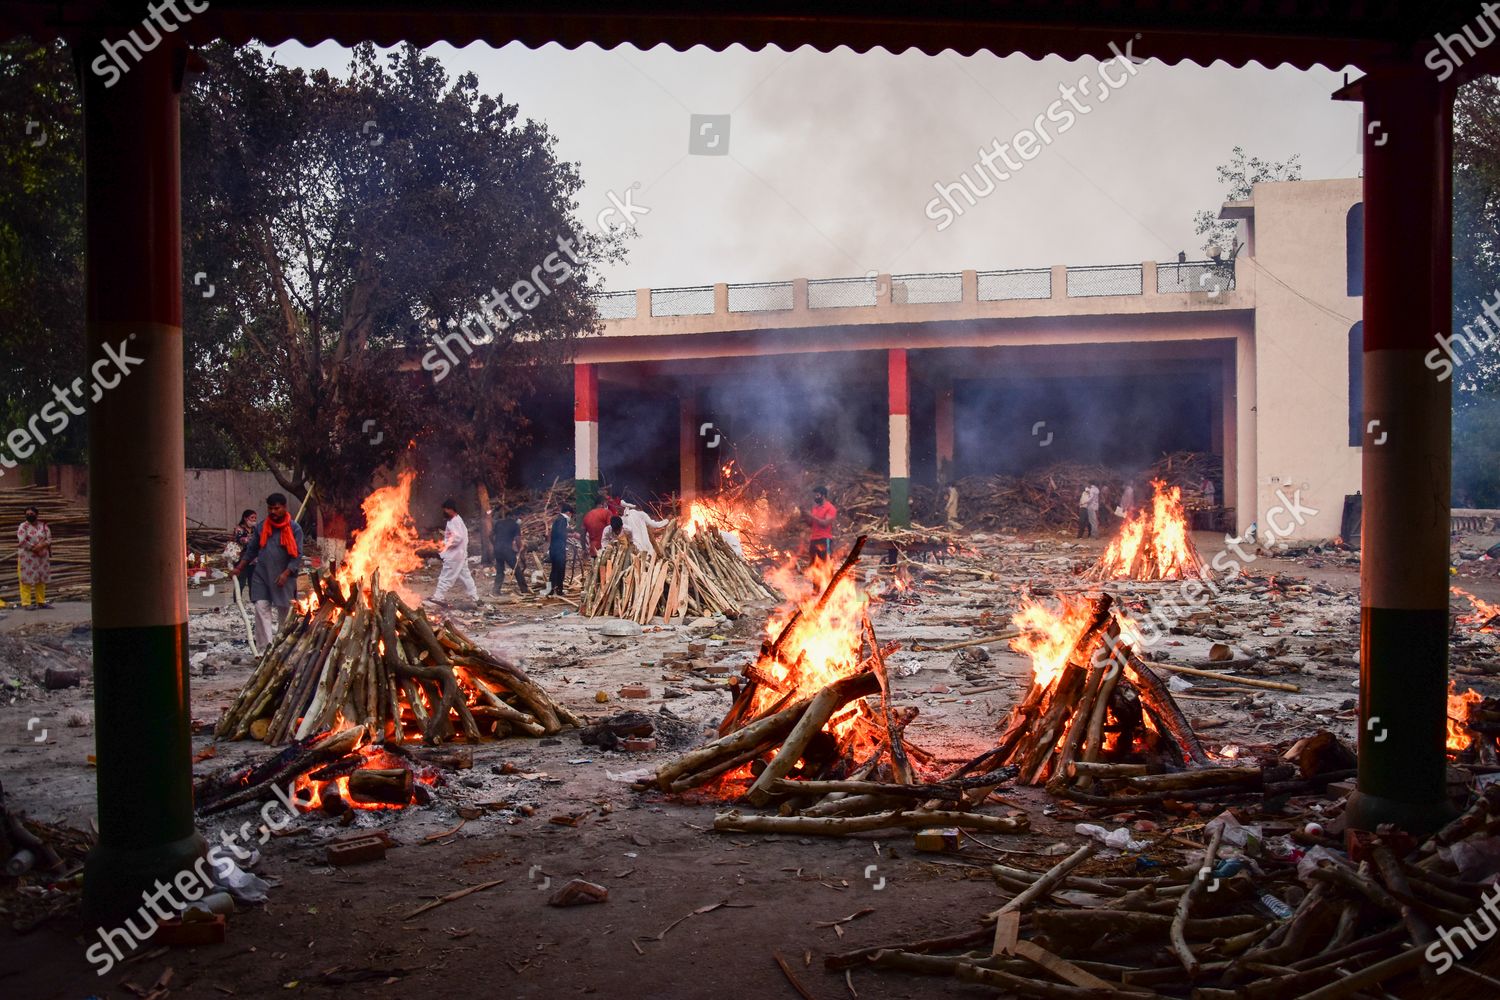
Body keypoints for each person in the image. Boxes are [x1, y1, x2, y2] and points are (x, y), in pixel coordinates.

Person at [231, 493, 304, 647]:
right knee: (261, 607)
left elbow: (297, 555)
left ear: (284, 507)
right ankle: (266, 647)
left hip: (284, 577)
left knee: (285, 611)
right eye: (270, 508)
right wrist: (239, 568)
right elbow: (252, 550)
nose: (273, 512)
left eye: (276, 508)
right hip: (262, 574)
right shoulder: (261, 527)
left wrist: (286, 573)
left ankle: (283, 646)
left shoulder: (294, 528)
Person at [431, 499, 478, 606]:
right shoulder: (458, 520)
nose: (444, 512)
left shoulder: (454, 522)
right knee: (466, 577)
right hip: (460, 555)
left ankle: (438, 597)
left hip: (454, 556)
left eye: (445, 510)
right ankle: (475, 597)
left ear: (450, 509)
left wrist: (445, 544)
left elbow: (457, 538)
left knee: (446, 576)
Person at [16, 506, 53, 609]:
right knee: (26, 580)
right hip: (27, 557)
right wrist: (35, 548)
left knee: (40, 579)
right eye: (27, 514)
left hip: (42, 558)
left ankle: (41, 601)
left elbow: (49, 539)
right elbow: (22, 541)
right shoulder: (23, 526)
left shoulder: (44, 526)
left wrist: (42, 546)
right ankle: (26, 603)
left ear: (37, 514)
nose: (29, 516)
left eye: (31, 514)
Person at [492, 509, 528, 596]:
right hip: (507, 550)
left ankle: (496, 591)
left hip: (497, 549)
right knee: (516, 570)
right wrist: (520, 548)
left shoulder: (498, 523)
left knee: (500, 570)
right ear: (514, 516)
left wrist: (495, 544)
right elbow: (517, 539)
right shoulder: (515, 525)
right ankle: (524, 590)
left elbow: (490, 535)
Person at [546, 503, 574, 596]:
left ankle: (550, 590)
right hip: (558, 549)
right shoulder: (563, 520)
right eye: (571, 515)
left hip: (554, 548)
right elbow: (560, 533)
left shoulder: (558, 519)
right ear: (568, 513)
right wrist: (571, 535)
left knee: (554, 570)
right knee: (560, 570)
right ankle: (559, 590)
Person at [806, 486, 837, 565]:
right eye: (815, 496)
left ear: (823, 496)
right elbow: (811, 524)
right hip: (814, 539)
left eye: (817, 495)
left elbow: (825, 523)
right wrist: (805, 517)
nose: (815, 498)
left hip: (824, 539)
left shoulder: (830, 508)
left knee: (826, 563)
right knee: (813, 565)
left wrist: (811, 516)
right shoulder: (815, 508)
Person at [319, 505, 349, 574]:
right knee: (330, 557)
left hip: (339, 539)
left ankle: (335, 575)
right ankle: (330, 576)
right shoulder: (329, 523)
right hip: (331, 539)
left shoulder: (341, 523)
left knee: (338, 557)